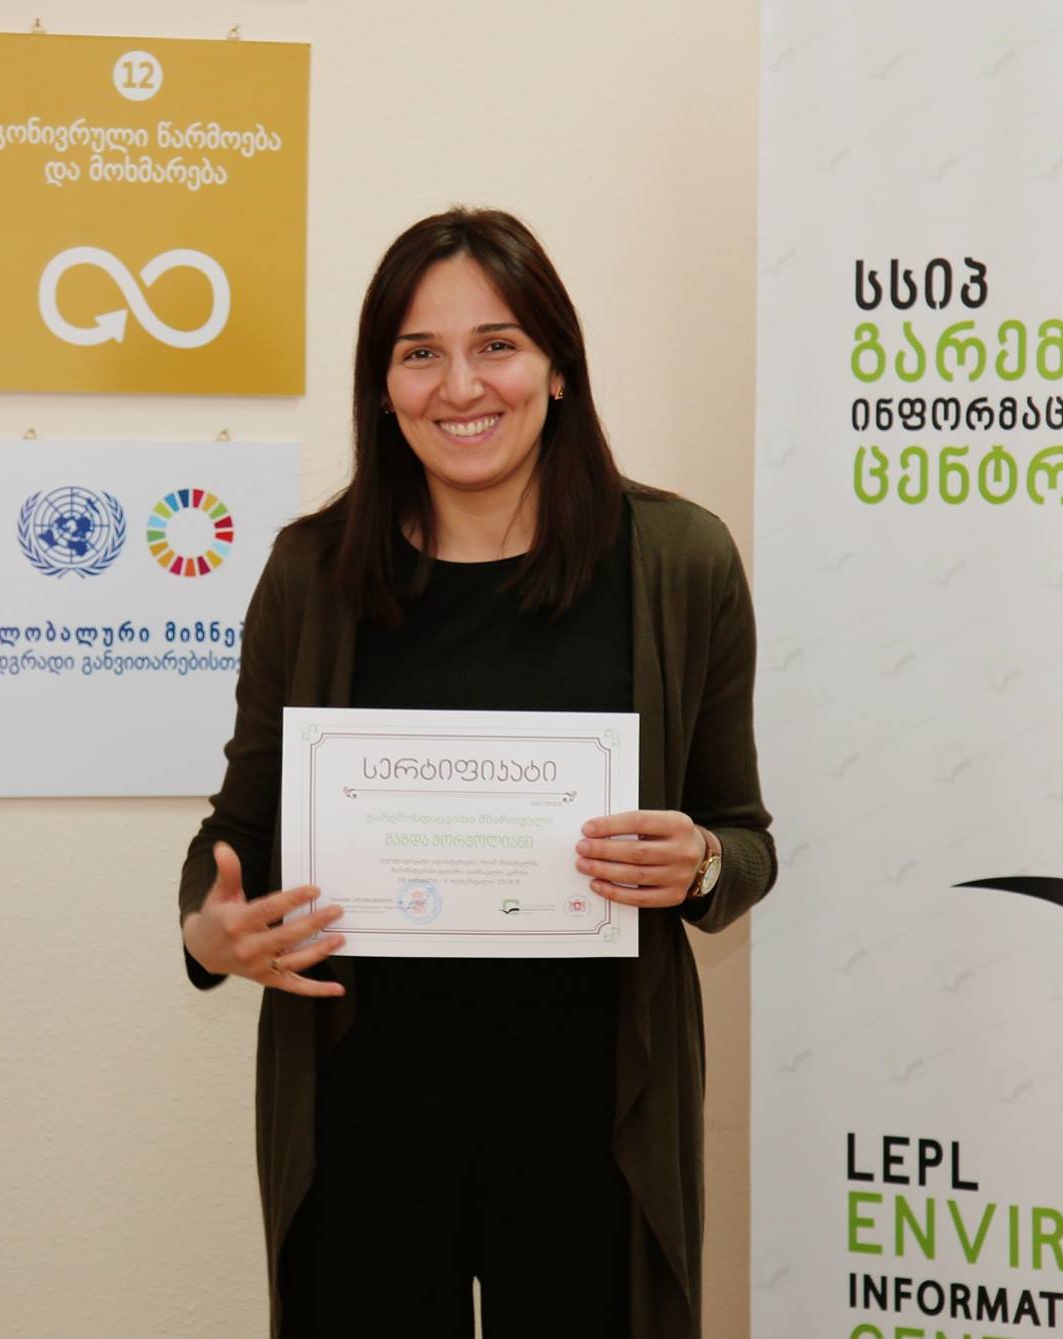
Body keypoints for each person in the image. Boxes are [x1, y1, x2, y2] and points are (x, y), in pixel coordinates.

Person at [175, 207, 775, 1338]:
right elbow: (238, 833)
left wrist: (698, 861)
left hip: (597, 1115)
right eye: (420, 353)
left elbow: (743, 840)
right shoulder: (311, 571)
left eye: (496, 344)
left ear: (558, 368)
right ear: (381, 387)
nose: (460, 386)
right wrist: (212, 936)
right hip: (363, 1115)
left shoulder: (679, 561)